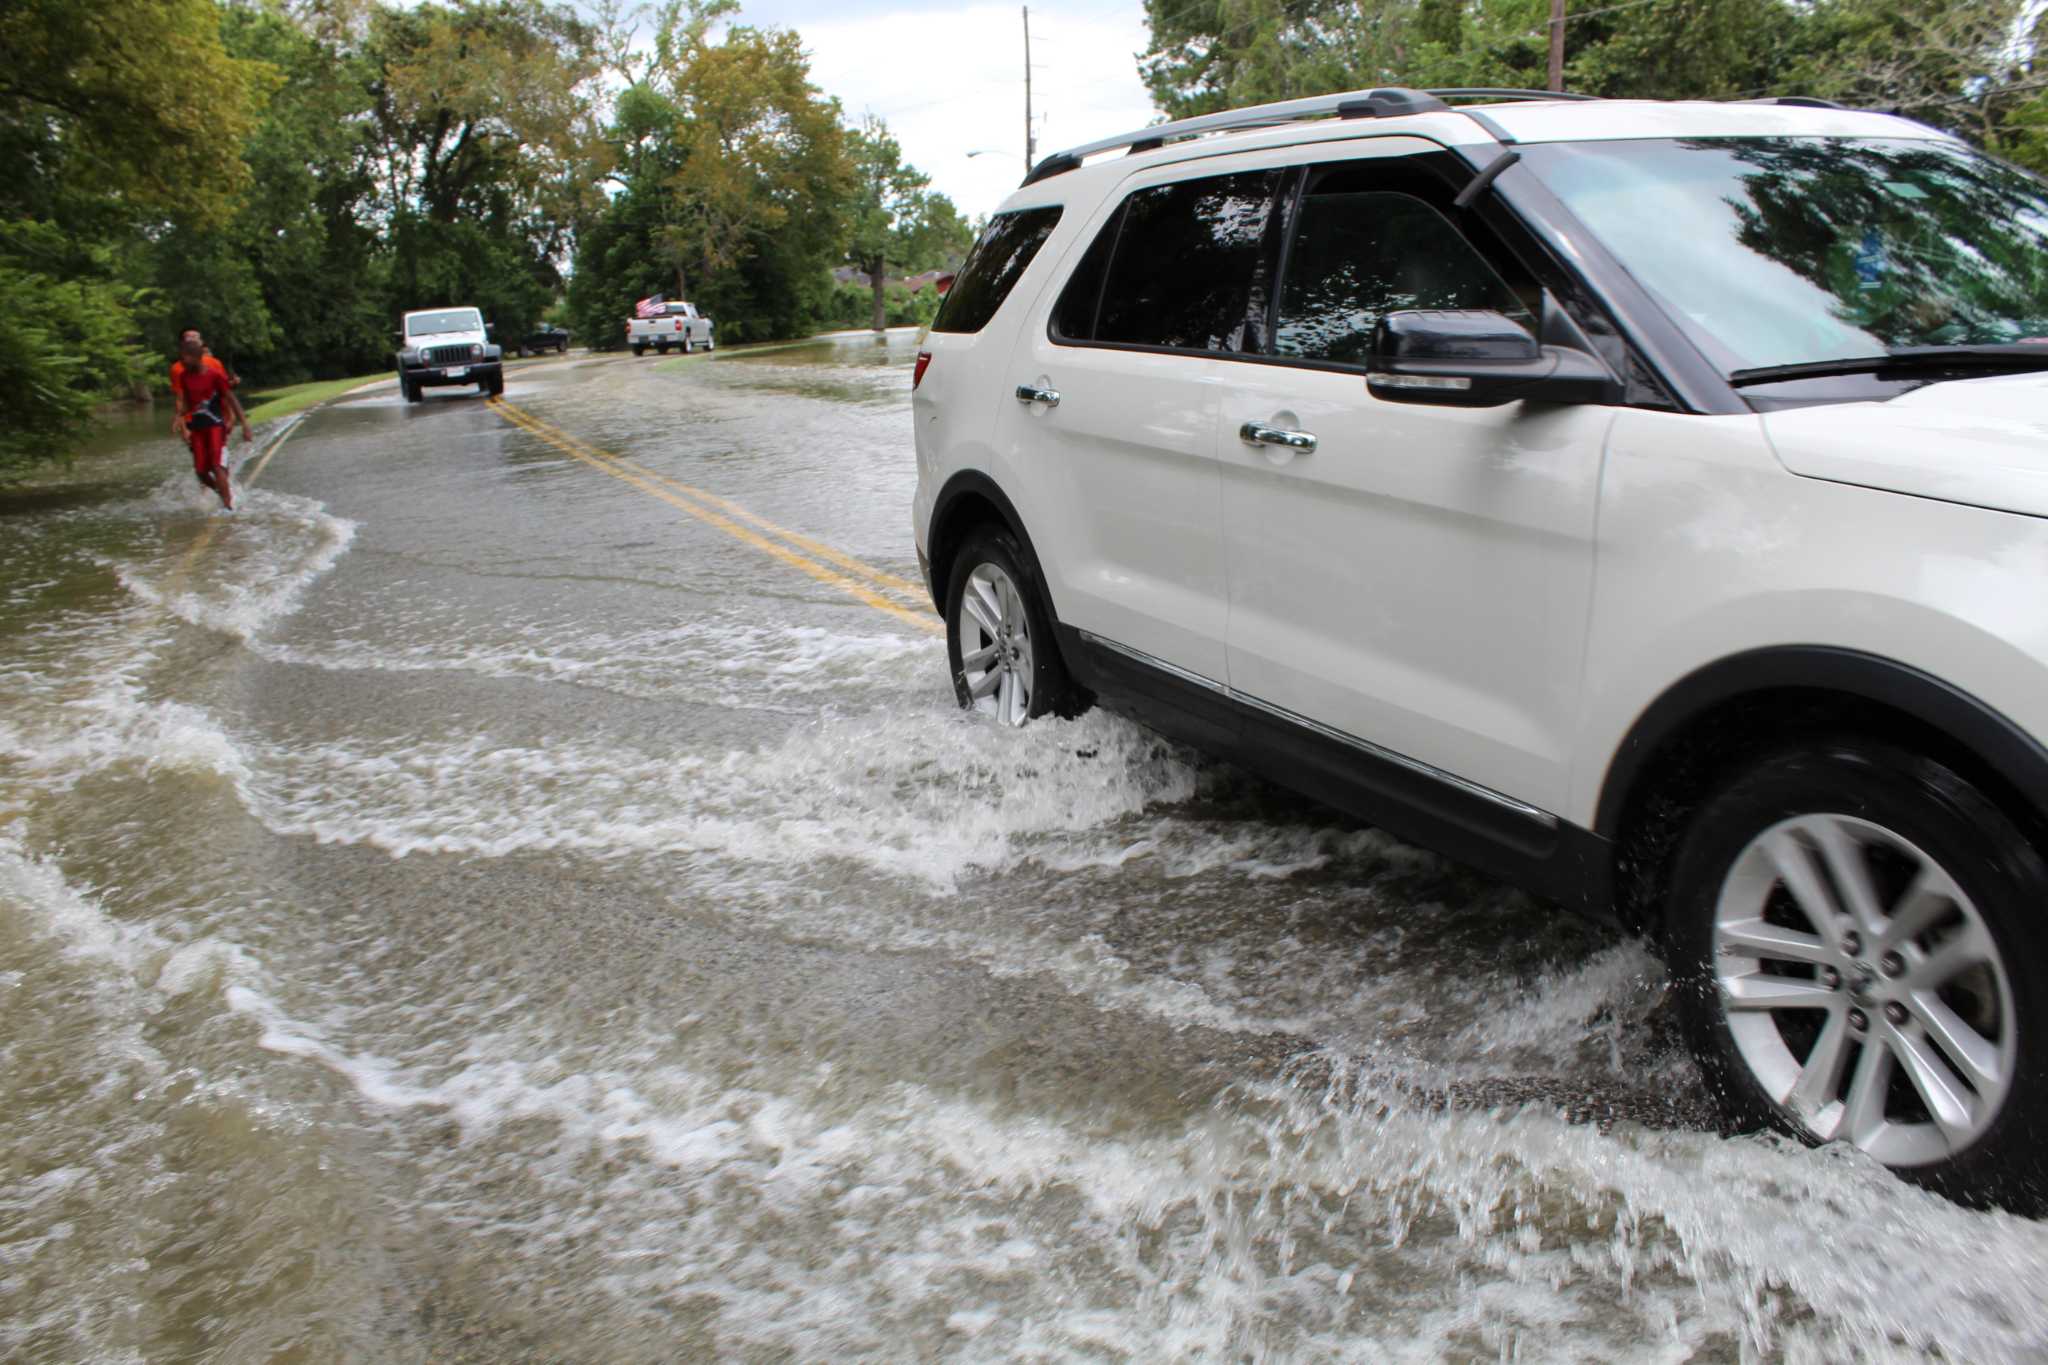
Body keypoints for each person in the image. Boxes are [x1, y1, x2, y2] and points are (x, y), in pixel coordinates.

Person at [170, 327, 251, 510]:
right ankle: (220, 491)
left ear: (197, 357)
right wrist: (180, 419)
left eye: (186, 358)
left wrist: (243, 424)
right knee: (200, 471)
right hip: (198, 427)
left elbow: (230, 399)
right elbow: (187, 402)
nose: (182, 362)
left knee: (216, 466)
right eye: (181, 358)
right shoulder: (183, 376)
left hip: (215, 425)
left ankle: (227, 505)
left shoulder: (213, 374)